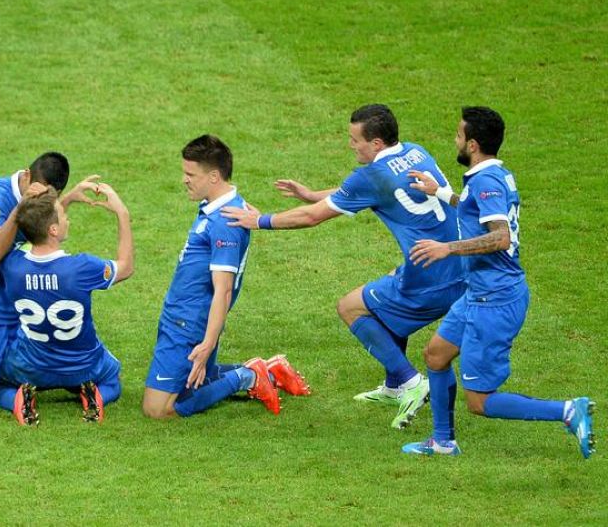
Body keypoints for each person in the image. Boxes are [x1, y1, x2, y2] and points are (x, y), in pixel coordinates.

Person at [222, 104, 466, 429]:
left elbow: (313, 217)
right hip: (462, 264)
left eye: (355, 140)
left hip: (432, 274)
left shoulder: (372, 176)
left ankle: (411, 382)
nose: (351, 145)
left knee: (351, 307)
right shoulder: (414, 152)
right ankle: (394, 385)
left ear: (376, 143)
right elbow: (358, 191)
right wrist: (312, 194)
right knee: (385, 297)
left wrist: (260, 220)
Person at [401, 106, 595, 457]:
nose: (455, 140)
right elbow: (473, 209)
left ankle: (567, 410)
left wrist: (447, 248)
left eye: (458, 135)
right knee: (435, 355)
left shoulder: (486, 182)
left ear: (472, 144)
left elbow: (500, 237)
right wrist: (440, 193)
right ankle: (443, 442)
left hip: (495, 299)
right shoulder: (492, 175)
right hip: (479, 293)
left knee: (479, 401)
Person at [142, 134, 310, 420]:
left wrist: (207, 343)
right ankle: (269, 370)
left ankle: (249, 376)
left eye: (190, 174)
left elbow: (224, 290)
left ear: (214, 176)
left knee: (158, 410)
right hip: (180, 315)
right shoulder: (220, 207)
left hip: (189, 322)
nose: (184, 180)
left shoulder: (224, 222)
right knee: (194, 382)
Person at [0, 152, 99, 413]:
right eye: (35, 192)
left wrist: (68, 200)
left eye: (47, 197)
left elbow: (43, 228)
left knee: (57, 374)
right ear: (26, 175)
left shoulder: (41, 199)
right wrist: (20, 208)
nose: (37, 199)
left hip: (18, 310)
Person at [0, 183, 134, 425]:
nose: (67, 218)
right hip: (83, 367)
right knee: (113, 380)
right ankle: (94, 396)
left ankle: (17, 399)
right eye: (63, 215)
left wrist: (65, 199)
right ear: (53, 229)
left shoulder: (12, 265)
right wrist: (122, 213)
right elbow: (126, 267)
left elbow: (36, 230)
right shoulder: (82, 268)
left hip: (31, 367)